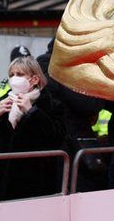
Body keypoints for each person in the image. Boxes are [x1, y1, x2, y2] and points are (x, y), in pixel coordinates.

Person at [0, 56, 65, 203]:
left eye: (20, 74)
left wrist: (32, 112)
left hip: (35, 185)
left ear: (34, 79)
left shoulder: (51, 105)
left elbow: (56, 138)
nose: (14, 79)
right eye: (12, 75)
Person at [37, 37, 108, 191]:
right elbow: (89, 104)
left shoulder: (48, 66)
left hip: (65, 144)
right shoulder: (56, 68)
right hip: (69, 144)